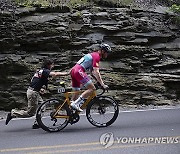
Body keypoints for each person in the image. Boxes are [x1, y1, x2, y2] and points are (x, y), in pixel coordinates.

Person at [5, 59, 69, 129]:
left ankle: (37, 123)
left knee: (43, 106)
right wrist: (67, 73)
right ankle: (13, 113)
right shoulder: (45, 71)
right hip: (33, 93)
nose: (53, 66)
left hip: (33, 91)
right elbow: (55, 74)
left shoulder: (40, 71)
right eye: (52, 64)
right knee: (30, 113)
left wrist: (40, 88)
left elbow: (33, 80)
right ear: (49, 65)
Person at [70, 43, 111, 112]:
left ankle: (70, 112)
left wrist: (98, 82)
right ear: (103, 51)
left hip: (74, 71)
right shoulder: (97, 56)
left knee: (76, 92)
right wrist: (102, 84)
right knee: (92, 88)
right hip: (78, 71)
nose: (107, 55)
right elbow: (96, 72)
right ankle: (76, 104)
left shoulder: (93, 54)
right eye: (107, 53)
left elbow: (91, 73)